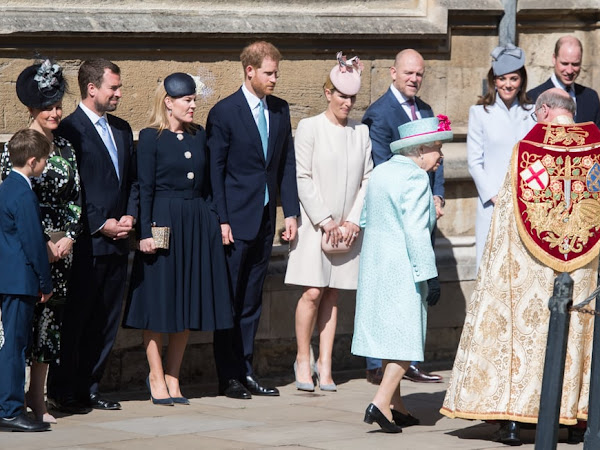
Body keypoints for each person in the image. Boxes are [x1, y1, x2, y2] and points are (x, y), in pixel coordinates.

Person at [441, 89, 597, 446]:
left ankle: (512, 418)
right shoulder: (597, 150)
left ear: (543, 112)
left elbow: (510, 216)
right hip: (584, 267)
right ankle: (574, 418)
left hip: (533, 267)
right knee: (576, 334)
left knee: (522, 338)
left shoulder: (529, 152)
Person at [123, 73, 233, 405]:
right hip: (163, 221)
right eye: (187, 100)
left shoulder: (199, 136)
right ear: (169, 102)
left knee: (186, 301)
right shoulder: (151, 138)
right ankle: (155, 376)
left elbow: (211, 185)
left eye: (194, 100)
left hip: (196, 222)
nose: (193, 105)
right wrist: (144, 233)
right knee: (159, 300)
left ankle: (174, 376)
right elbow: (143, 187)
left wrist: (218, 221)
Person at [207, 41, 300, 399]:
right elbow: (215, 171)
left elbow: (285, 163)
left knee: (251, 299)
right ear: (250, 71)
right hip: (235, 220)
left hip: (264, 218)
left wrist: (289, 211)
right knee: (229, 298)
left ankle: (246, 370)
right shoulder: (224, 112)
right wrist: (222, 219)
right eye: (269, 73)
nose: (275, 79)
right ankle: (227, 375)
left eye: (276, 72)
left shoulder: (279, 110)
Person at [48, 59, 139, 413]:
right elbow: (72, 189)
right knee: (76, 320)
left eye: (119, 87)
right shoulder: (68, 129)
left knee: (105, 321)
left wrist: (130, 215)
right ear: (92, 88)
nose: (118, 93)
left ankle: (91, 386)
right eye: (113, 88)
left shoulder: (120, 128)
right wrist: (100, 222)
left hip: (118, 243)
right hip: (85, 243)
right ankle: (63, 388)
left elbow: (131, 180)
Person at [352, 116, 452, 433]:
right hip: (404, 268)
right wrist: (430, 275)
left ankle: (397, 406)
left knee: (389, 340)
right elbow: (417, 232)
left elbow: (366, 217)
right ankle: (381, 403)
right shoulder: (415, 178)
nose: (440, 157)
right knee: (407, 340)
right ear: (420, 150)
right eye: (437, 149)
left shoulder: (381, 172)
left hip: (375, 266)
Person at [284, 53, 373, 392]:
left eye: (351, 97)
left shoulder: (360, 133)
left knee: (333, 294)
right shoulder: (310, 127)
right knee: (312, 291)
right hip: (315, 225)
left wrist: (352, 221)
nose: (347, 103)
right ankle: (302, 358)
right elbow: (302, 176)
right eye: (341, 95)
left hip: (348, 229)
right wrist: (325, 220)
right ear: (328, 93)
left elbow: (368, 179)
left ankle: (326, 362)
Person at [0, 60, 82, 424]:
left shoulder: (65, 147)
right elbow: (11, 204)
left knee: (49, 324)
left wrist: (68, 237)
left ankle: (38, 396)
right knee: (19, 329)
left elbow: (76, 198)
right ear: (32, 108)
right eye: (48, 106)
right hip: (26, 250)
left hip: (59, 249)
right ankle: (12, 400)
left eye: (58, 105)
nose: (56, 112)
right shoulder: (17, 147)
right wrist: (41, 245)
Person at [361, 48, 443, 385]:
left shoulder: (425, 110)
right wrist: (419, 196)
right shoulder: (379, 113)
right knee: (390, 292)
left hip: (423, 206)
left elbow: (438, 158)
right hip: (396, 216)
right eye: (408, 73)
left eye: (419, 74)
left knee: (410, 297)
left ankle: (405, 363)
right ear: (393, 72)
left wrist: (436, 195)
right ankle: (379, 364)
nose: (414, 78)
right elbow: (383, 165)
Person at [0, 129, 53, 432]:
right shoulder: (23, 192)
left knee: (6, 343)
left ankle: (6, 404)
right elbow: (33, 243)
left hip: (7, 279)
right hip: (20, 282)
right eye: (44, 161)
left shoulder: (6, 187)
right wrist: (44, 283)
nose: (45, 166)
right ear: (32, 161)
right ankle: (10, 408)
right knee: (15, 346)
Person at [467, 45, 536, 269]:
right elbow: (474, 162)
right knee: (491, 266)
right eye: (502, 78)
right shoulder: (480, 113)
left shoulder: (532, 113)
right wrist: (494, 196)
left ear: (522, 80)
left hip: (526, 204)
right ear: (494, 81)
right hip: (493, 205)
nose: (508, 85)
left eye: (514, 78)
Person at [527, 35, 600, 127]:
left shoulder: (591, 97)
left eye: (575, 64)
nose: (569, 70)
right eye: (564, 63)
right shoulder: (533, 97)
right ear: (554, 58)